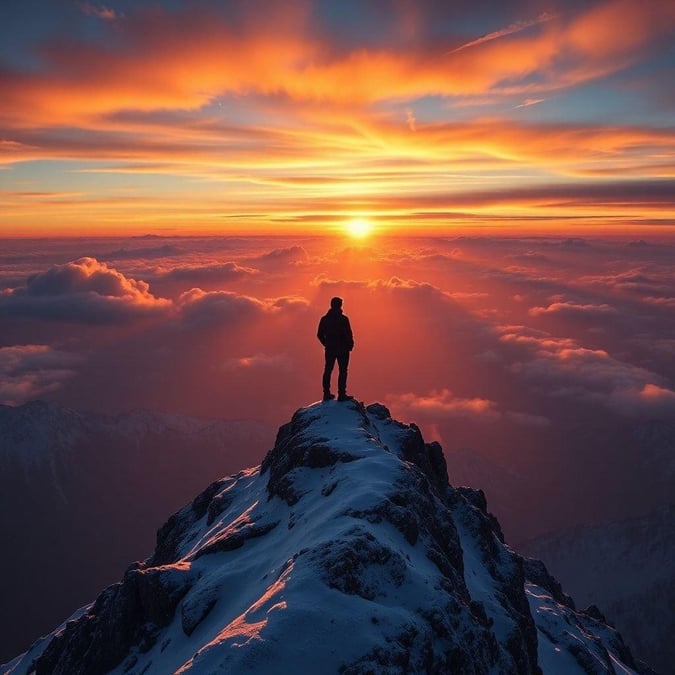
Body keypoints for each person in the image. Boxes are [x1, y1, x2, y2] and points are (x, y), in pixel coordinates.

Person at [317, 296, 354, 402]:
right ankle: (342, 394)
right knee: (342, 371)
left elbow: (319, 334)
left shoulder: (324, 319)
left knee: (328, 370)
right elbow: (348, 334)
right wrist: (350, 345)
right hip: (343, 349)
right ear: (340, 305)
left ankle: (326, 393)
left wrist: (326, 344)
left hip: (330, 349)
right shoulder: (343, 319)